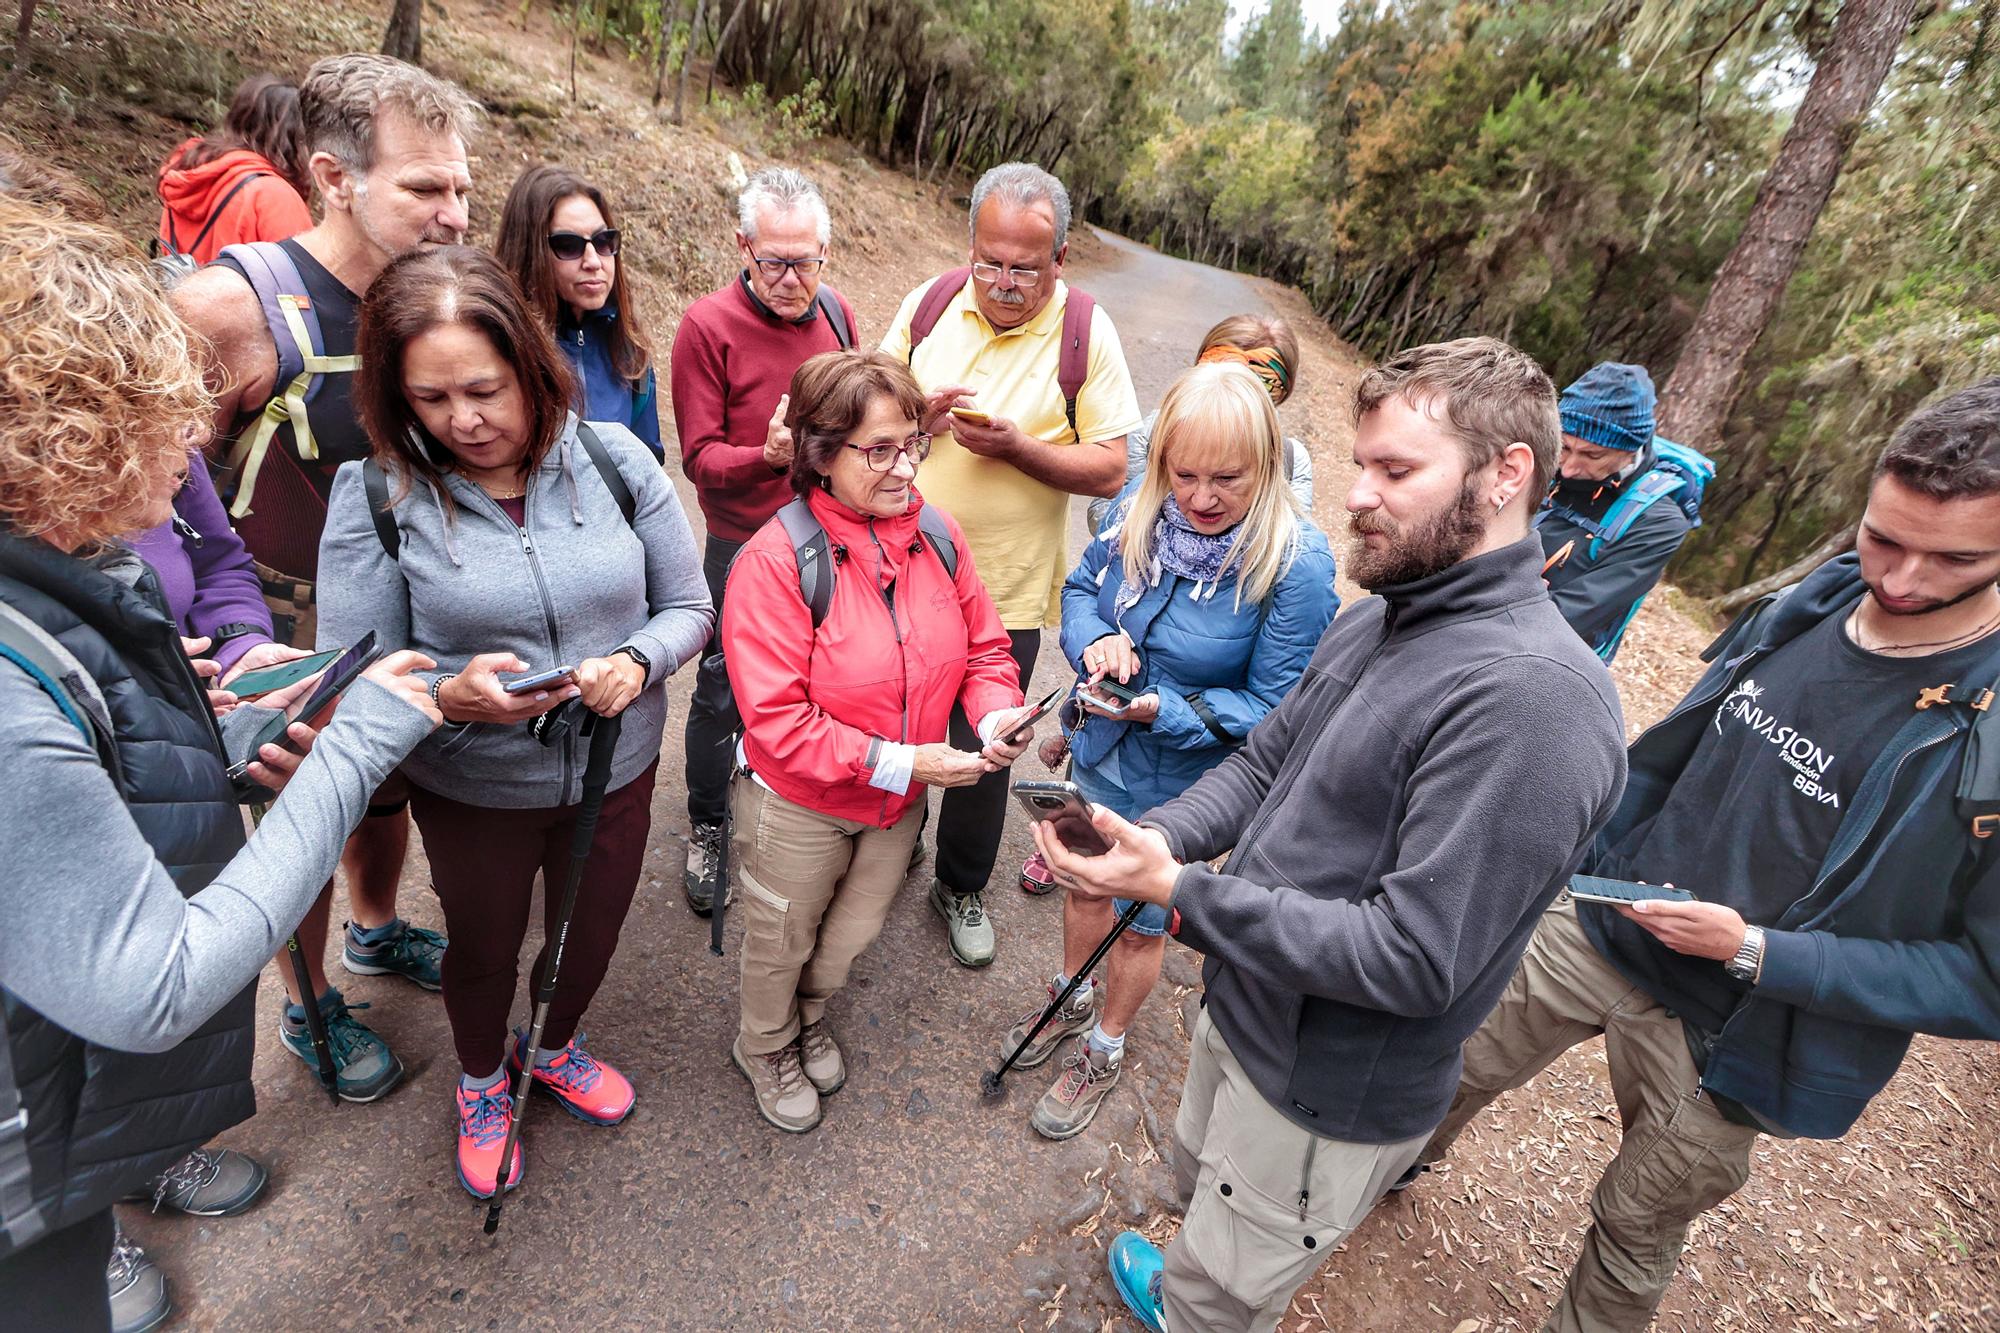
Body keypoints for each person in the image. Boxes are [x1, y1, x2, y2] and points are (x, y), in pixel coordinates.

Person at [1035, 337, 1630, 1333]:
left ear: (1505, 475)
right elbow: (1265, 763)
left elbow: (1413, 957)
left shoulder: (1534, 703)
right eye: (1363, 465)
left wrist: (1185, 896)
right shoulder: (1382, 619)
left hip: (1322, 1087)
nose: (1356, 494)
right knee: (1206, 1192)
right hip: (1246, 1007)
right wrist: (1148, 836)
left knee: (1226, 1289)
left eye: (1395, 471)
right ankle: (1189, 1276)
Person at [1417, 380, 2000, 1332]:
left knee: (1634, 1223)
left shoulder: (1990, 723)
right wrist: (1593, 854)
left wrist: (1761, 951)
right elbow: (1683, 750)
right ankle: (1379, 1173)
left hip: (1740, 1027)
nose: (1898, 580)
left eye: (1954, 559)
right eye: (1884, 538)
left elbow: (1984, 980)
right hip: (1604, 917)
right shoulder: (1816, 598)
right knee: (1447, 1061)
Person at [0, 198, 441, 1332]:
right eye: (167, 418)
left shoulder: (49, 578)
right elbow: (151, 981)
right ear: (71, 438)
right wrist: (353, 750)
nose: (197, 444)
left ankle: (128, 1171)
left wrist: (219, 721)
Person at [317, 246, 712, 1198]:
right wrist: (450, 697)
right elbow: (354, 676)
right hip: (474, 788)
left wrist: (635, 660)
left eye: (486, 389)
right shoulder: (377, 496)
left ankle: (557, 1043)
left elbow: (690, 606)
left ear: (531, 365)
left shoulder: (615, 462)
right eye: (432, 398)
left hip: (615, 769)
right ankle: (484, 1079)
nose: (465, 420)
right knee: (484, 947)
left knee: (589, 936)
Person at [173, 52, 480, 1102]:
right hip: (274, 634)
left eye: (462, 187)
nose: (453, 212)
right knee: (295, 827)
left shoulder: (428, 300)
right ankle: (306, 1006)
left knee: (384, 795)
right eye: (425, 188)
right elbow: (137, 486)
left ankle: (376, 929)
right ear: (334, 177)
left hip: (394, 620)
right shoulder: (230, 310)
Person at [1007, 362, 1338, 1140]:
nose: (1200, 497)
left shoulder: (1296, 565)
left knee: (1142, 917)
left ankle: (1105, 1043)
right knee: (1085, 880)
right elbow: (1081, 591)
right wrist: (1097, 647)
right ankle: (1069, 994)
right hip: (1102, 748)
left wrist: (1169, 709)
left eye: (1228, 478)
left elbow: (1274, 711)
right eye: (1183, 473)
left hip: (1185, 786)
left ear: (1268, 463)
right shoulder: (1138, 509)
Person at [721, 350, 1033, 1132]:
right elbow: (778, 720)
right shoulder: (773, 562)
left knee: (852, 932)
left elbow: (987, 650)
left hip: (893, 805)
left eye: (912, 442)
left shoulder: (937, 534)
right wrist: (905, 761)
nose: (905, 467)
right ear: (821, 454)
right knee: (781, 934)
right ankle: (765, 1045)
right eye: (880, 449)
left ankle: (810, 1014)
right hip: (799, 801)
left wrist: (997, 715)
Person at [881, 160, 1142, 967]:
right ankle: (888, 856)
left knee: (986, 744)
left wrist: (1023, 451)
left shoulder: (1085, 331)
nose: (1001, 281)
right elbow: (868, 404)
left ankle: (959, 884)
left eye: (1023, 267)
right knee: (892, 720)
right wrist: (911, 415)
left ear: (1060, 259)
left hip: (1009, 591)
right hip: (898, 573)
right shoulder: (929, 305)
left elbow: (1111, 467)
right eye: (987, 260)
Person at [670, 166, 858, 918]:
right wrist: (766, 457)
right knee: (723, 690)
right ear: (742, 247)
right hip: (743, 541)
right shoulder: (705, 326)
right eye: (772, 260)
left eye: (804, 260)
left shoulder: (837, 312)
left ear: (825, 253)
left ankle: (793, 808)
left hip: (823, 531)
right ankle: (707, 825)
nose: (789, 278)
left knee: (816, 680)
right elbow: (699, 462)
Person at [1537, 362, 1709, 661]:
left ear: (1631, 450)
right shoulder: (1540, 459)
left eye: (1593, 455)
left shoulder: (1657, 523)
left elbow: (1572, 616)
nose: (1569, 467)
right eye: (1564, 447)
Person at [494, 163, 663, 461]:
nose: (593, 261)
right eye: (569, 246)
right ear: (529, 252)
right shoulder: (499, 350)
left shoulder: (627, 348)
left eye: (603, 241)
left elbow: (647, 461)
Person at [1086, 314, 1314, 533]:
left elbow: (1294, 544)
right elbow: (1104, 516)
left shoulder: (1291, 458)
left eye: (1258, 382)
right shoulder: (1155, 430)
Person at [155, 73, 312, 268]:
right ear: (294, 136)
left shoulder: (188, 169)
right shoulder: (274, 197)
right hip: (242, 297)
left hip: (180, 294)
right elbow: (301, 280)